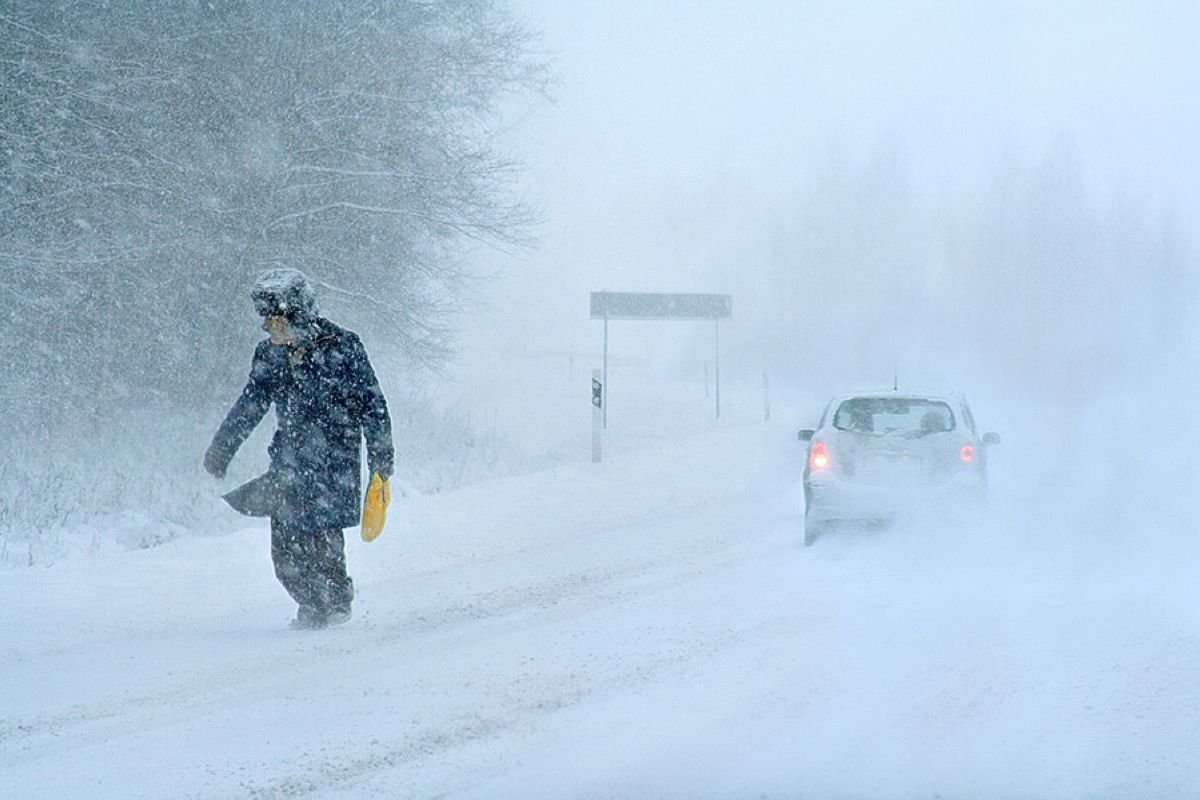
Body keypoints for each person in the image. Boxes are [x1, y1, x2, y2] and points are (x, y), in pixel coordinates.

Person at [204, 268, 394, 629]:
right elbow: (251, 404)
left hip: (333, 463)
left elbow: (374, 406)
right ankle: (310, 603)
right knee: (285, 550)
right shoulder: (269, 356)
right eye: (267, 324)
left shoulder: (344, 347)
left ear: (300, 316)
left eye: (279, 323)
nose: (272, 331)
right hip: (288, 463)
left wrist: (381, 461)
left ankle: (335, 602)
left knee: (321, 538)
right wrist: (222, 447)